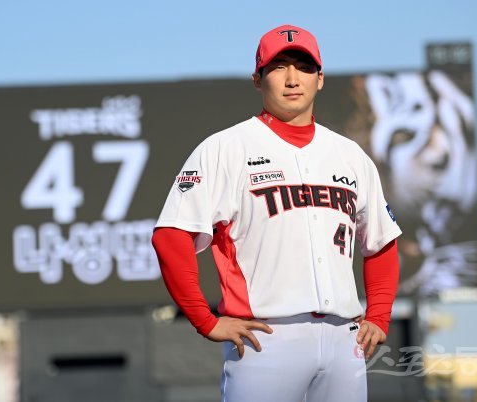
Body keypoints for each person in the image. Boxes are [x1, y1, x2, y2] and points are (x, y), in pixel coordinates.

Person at [152, 24, 402, 402]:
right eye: (278, 67)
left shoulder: (350, 155)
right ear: (258, 79)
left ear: (320, 79)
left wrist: (379, 315)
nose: (292, 78)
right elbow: (171, 235)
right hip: (266, 338)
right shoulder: (226, 148)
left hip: (344, 338)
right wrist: (205, 320)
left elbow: (381, 241)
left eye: (303, 67)